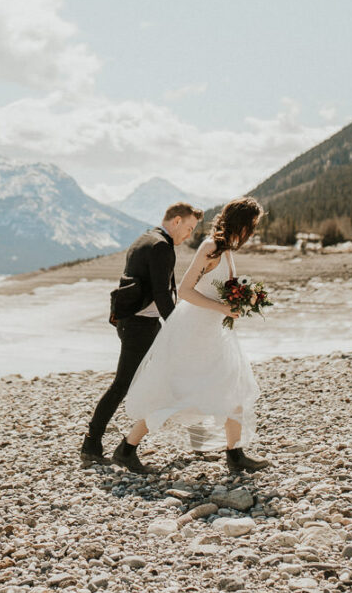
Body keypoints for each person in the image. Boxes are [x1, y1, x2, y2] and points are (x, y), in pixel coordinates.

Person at [115, 196, 271, 475]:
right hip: (194, 330)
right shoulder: (210, 247)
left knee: (232, 385)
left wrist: (242, 300)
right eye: (252, 225)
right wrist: (223, 306)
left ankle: (235, 454)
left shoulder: (227, 251)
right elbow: (186, 291)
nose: (253, 232)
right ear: (241, 223)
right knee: (174, 392)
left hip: (214, 331)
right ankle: (126, 449)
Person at [80, 202, 203, 467]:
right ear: (177, 221)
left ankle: (194, 437)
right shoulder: (160, 246)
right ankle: (95, 444)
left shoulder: (145, 238)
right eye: (189, 228)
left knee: (167, 376)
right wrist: (177, 326)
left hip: (137, 323)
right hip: (140, 326)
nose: (189, 235)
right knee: (123, 384)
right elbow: (161, 294)